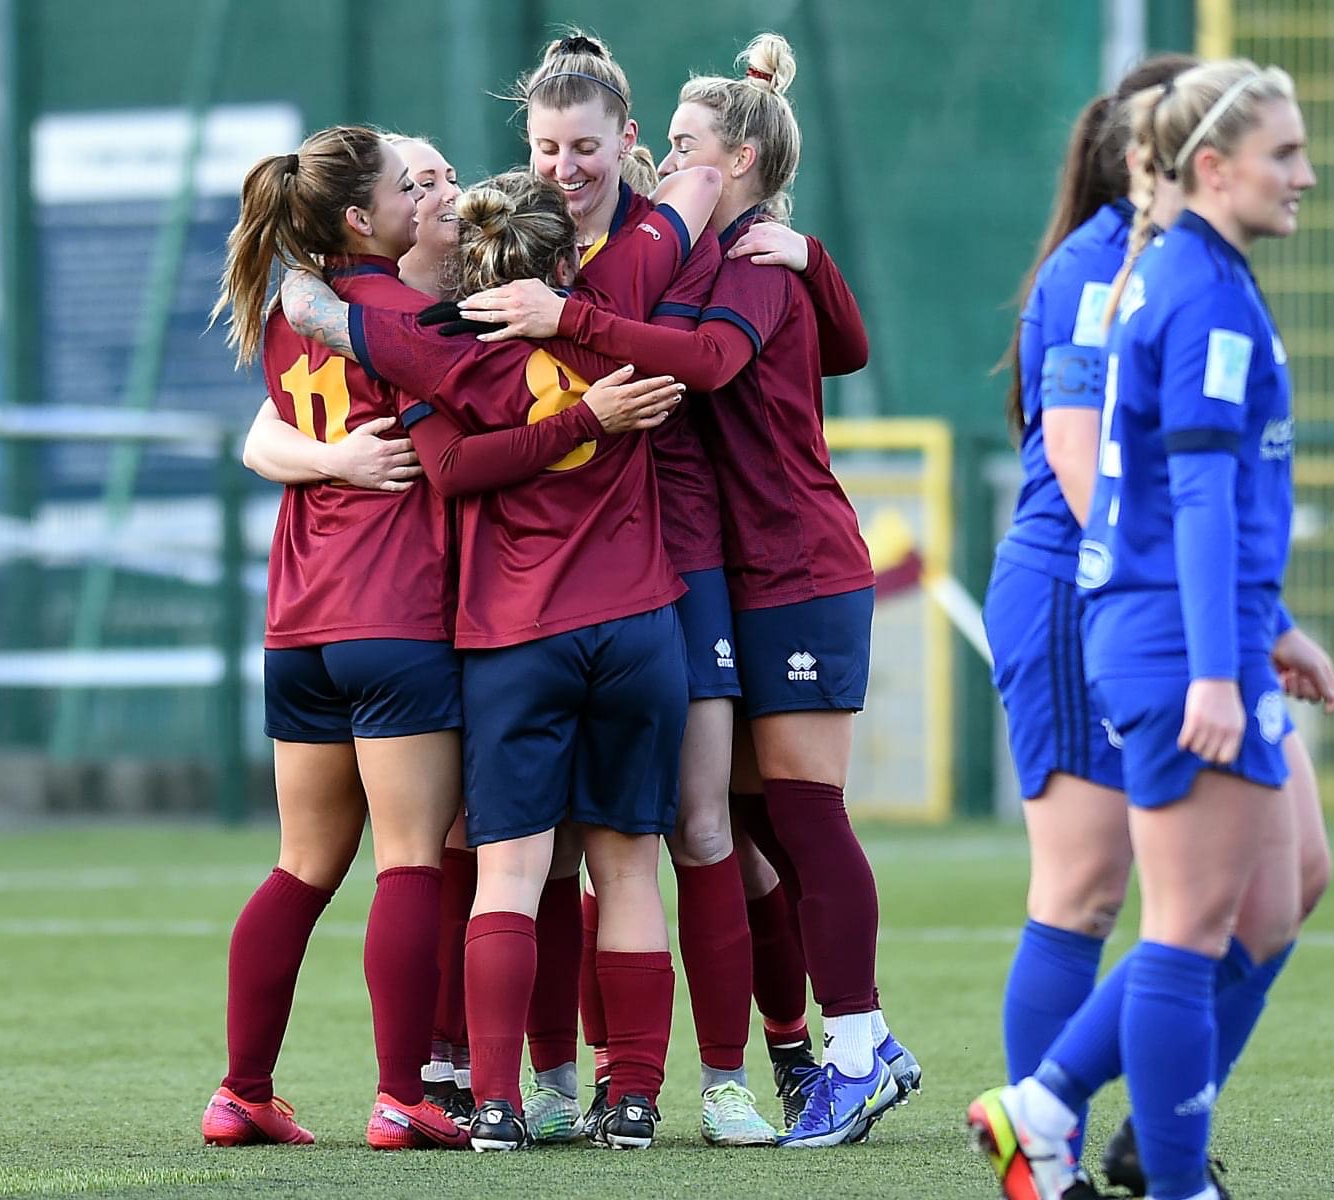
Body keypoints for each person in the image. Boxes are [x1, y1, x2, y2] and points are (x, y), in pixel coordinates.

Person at [454, 32, 913, 1150]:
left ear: (734, 161)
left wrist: (806, 259)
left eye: (680, 143)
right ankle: (597, 1073)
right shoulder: (567, 240)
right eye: (547, 146)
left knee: (727, 822)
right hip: (656, 579)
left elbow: (713, 361)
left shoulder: (735, 256)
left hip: (754, 564)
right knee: (693, 826)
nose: (643, 159)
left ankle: (787, 1061)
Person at [279, 160, 720, 1153]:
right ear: (564, 253)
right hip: (640, 626)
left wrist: (298, 291)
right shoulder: (613, 308)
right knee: (630, 871)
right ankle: (634, 1099)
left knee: (508, 876)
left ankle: (494, 1103)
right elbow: (687, 204)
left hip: (516, 639)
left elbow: (442, 461)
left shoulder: (438, 349)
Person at [969, 59, 1321, 1200]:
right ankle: (1083, 1139)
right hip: (1127, 607)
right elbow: (1113, 473)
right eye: (1284, 152)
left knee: (1264, 895)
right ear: (1171, 158)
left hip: (1177, 610)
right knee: (1118, 901)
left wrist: (1259, 624)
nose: (1306, 175)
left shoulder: (1182, 270)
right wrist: (1222, 649)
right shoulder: (1148, 276)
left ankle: (1072, 1116)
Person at [198, 123, 469, 1152]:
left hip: (298, 624)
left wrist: (323, 461)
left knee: (301, 864)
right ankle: (404, 1093)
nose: (423, 198)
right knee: (410, 860)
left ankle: (242, 1090)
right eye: (410, 186)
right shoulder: (406, 317)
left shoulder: (291, 320)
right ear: (362, 218)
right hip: (395, 616)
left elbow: (268, 429)